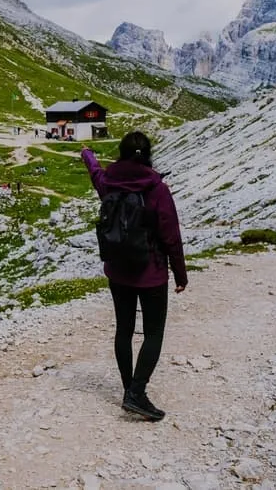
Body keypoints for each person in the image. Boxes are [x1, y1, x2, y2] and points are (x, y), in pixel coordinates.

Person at [81, 131, 187, 422]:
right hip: (151, 273)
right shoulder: (157, 189)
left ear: (121, 153)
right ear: (148, 155)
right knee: (153, 333)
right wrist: (180, 272)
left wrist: (87, 153)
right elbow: (171, 235)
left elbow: (95, 173)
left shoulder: (109, 183)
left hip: (117, 270)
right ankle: (136, 393)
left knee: (124, 330)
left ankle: (129, 388)